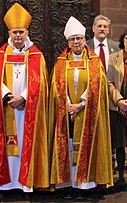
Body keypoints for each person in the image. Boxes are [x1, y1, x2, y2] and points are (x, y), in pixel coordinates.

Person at [0, 3, 49, 196]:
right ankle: (4, 184)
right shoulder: (0, 54)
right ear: (9, 33)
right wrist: (7, 96)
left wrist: (23, 97)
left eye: (21, 32)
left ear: (27, 32)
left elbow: (42, 82)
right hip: (6, 108)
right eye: (15, 32)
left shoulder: (36, 55)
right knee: (6, 143)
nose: (18, 36)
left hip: (27, 108)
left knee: (24, 144)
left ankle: (25, 183)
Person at [49, 16, 113, 200]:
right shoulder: (61, 62)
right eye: (72, 39)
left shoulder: (94, 61)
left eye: (79, 39)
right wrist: (68, 104)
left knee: (85, 147)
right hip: (67, 112)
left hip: (86, 112)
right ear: (68, 42)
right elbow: (56, 86)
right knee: (68, 148)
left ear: (85, 40)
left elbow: (97, 85)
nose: (76, 42)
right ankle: (69, 184)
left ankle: (84, 185)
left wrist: (81, 104)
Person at [86, 15, 120, 173]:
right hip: (90, 95)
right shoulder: (86, 47)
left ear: (109, 30)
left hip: (110, 95)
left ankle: (110, 164)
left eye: (105, 27)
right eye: (99, 26)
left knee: (111, 129)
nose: (102, 29)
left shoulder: (116, 48)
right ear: (93, 28)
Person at [107, 29, 127, 191]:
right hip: (117, 107)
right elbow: (109, 82)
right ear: (123, 40)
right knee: (119, 144)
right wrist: (119, 101)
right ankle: (120, 178)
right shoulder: (114, 58)